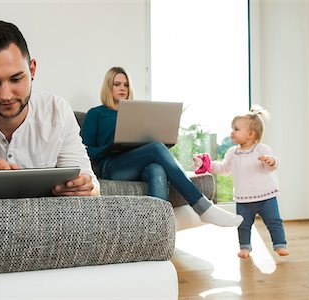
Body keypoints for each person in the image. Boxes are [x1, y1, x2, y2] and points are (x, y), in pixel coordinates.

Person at [0, 20, 99, 200]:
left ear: (32, 70)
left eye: (16, 79)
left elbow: (92, 188)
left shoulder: (58, 111)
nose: (6, 95)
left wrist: (81, 187)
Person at [81, 66, 243, 227]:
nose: (123, 88)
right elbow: (85, 149)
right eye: (117, 84)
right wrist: (109, 147)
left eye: (126, 84)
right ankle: (203, 207)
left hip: (140, 161)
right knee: (156, 148)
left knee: (156, 169)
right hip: (112, 166)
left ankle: (157, 232)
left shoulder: (136, 113)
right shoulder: (96, 113)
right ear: (108, 86)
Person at [192, 105, 288, 258]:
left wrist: (270, 161)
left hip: (266, 197)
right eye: (232, 129)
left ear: (250, 134)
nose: (232, 133)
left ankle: (279, 244)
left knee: (274, 221)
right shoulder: (232, 153)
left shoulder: (261, 150)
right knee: (243, 225)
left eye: (236, 129)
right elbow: (224, 169)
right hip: (244, 199)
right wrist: (207, 165)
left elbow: (272, 165)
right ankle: (245, 247)